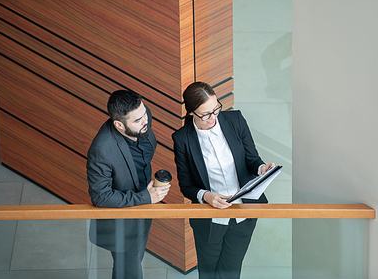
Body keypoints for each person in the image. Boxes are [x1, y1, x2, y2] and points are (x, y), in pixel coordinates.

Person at [172, 82, 275, 279]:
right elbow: (186, 186)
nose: (213, 118)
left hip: (243, 214)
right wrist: (206, 196)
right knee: (209, 273)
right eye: (205, 114)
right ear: (192, 113)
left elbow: (252, 159)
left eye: (215, 109)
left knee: (231, 272)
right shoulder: (182, 139)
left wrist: (262, 169)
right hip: (209, 219)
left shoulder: (235, 120)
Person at [87, 90, 170, 279]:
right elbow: (101, 197)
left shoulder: (141, 117)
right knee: (131, 272)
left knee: (125, 270)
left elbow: (146, 152)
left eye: (144, 114)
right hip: (121, 225)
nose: (145, 121)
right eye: (137, 120)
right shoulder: (102, 150)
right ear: (118, 125)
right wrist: (146, 197)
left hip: (143, 213)